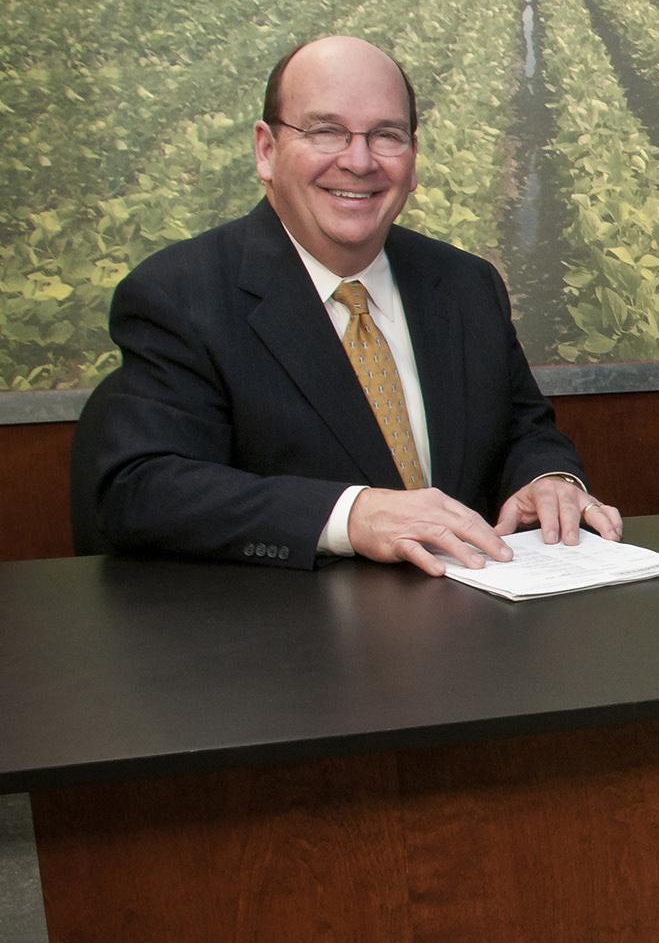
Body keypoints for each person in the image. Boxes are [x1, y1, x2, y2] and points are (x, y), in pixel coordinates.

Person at [92, 35, 619, 574]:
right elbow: (140, 489)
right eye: (326, 131)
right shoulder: (178, 293)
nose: (359, 161)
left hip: (475, 632)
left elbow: (523, 430)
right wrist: (351, 515)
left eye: (386, 136)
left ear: (412, 162)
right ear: (266, 151)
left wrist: (547, 479)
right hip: (290, 642)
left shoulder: (466, 285)